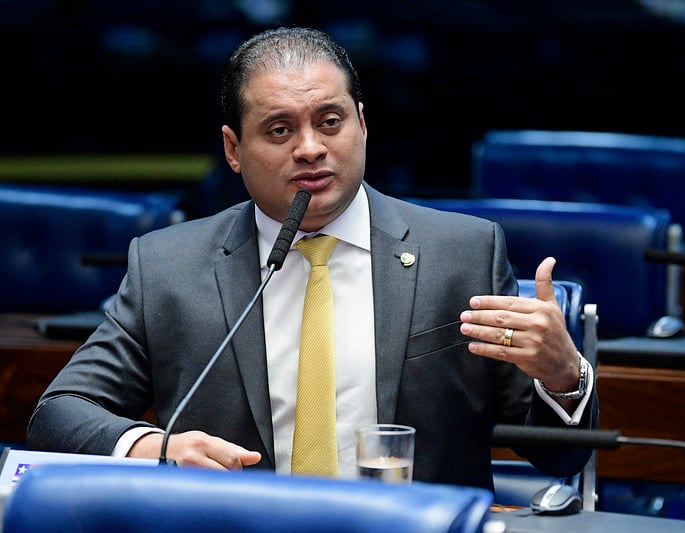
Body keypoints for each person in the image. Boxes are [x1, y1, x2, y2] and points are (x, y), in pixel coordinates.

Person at [28, 27, 597, 490]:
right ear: (233, 149)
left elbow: (559, 461)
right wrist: (159, 447)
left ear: (362, 124)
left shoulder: (461, 252)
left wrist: (563, 377)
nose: (309, 148)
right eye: (279, 129)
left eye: (330, 121)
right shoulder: (169, 267)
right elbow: (61, 412)